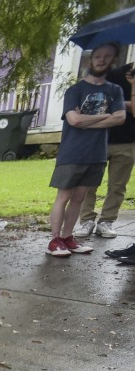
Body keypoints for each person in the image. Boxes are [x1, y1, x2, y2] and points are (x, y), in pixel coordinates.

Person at [46, 42, 126, 257]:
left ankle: (67, 237)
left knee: (80, 198)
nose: (101, 59)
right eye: (98, 55)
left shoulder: (114, 90)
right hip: (73, 152)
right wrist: (105, 116)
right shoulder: (76, 90)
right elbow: (74, 120)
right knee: (63, 196)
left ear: (113, 61)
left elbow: (120, 118)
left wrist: (87, 119)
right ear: (91, 60)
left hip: (96, 153)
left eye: (107, 56)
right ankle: (55, 240)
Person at [76, 55, 135, 239]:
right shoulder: (115, 73)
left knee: (118, 186)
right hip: (100, 138)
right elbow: (96, 101)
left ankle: (107, 221)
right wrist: (122, 106)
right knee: (89, 183)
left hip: (128, 141)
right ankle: (86, 220)